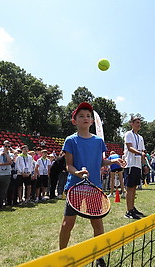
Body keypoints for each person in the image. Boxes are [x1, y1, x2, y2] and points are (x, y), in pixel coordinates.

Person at [59, 102, 125, 266]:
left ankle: (99, 256)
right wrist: (77, 173)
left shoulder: (98, 141)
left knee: (97, 223)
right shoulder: (70, 140)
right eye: (81, 116)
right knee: (68, 224)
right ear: (74, 121)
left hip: (94, 188)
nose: (85, 118)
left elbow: (99, 162)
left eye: (88, 116)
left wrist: (113, 161)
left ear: (92, 120)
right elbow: (69, 165)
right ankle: (61, 256)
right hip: (75, 187)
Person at [123, 116, 146, 219]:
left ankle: (132, 208)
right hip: (130, 164)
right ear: (131, 124)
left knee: (134, 187)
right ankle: (128, 211)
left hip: (137, 165)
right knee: (129, 187)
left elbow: (143, 151)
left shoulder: (141, 137)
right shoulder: (128, 134)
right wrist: (140, 153)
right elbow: (129, 147)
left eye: (139, 123)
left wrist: (144, 164)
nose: (138, 124)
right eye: (136, 122)